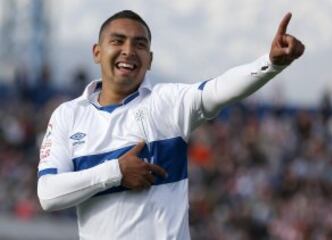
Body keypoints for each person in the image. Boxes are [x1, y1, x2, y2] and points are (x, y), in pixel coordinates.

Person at [37, 10, 304, 240]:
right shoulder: (67, 115)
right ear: (97, 52)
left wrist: (270, 63)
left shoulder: (167, 103)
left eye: (139, 45)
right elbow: (48, 194)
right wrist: (115, 172)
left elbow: (218, 90)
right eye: (118, 41)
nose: (129, 51)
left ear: (150, 59)